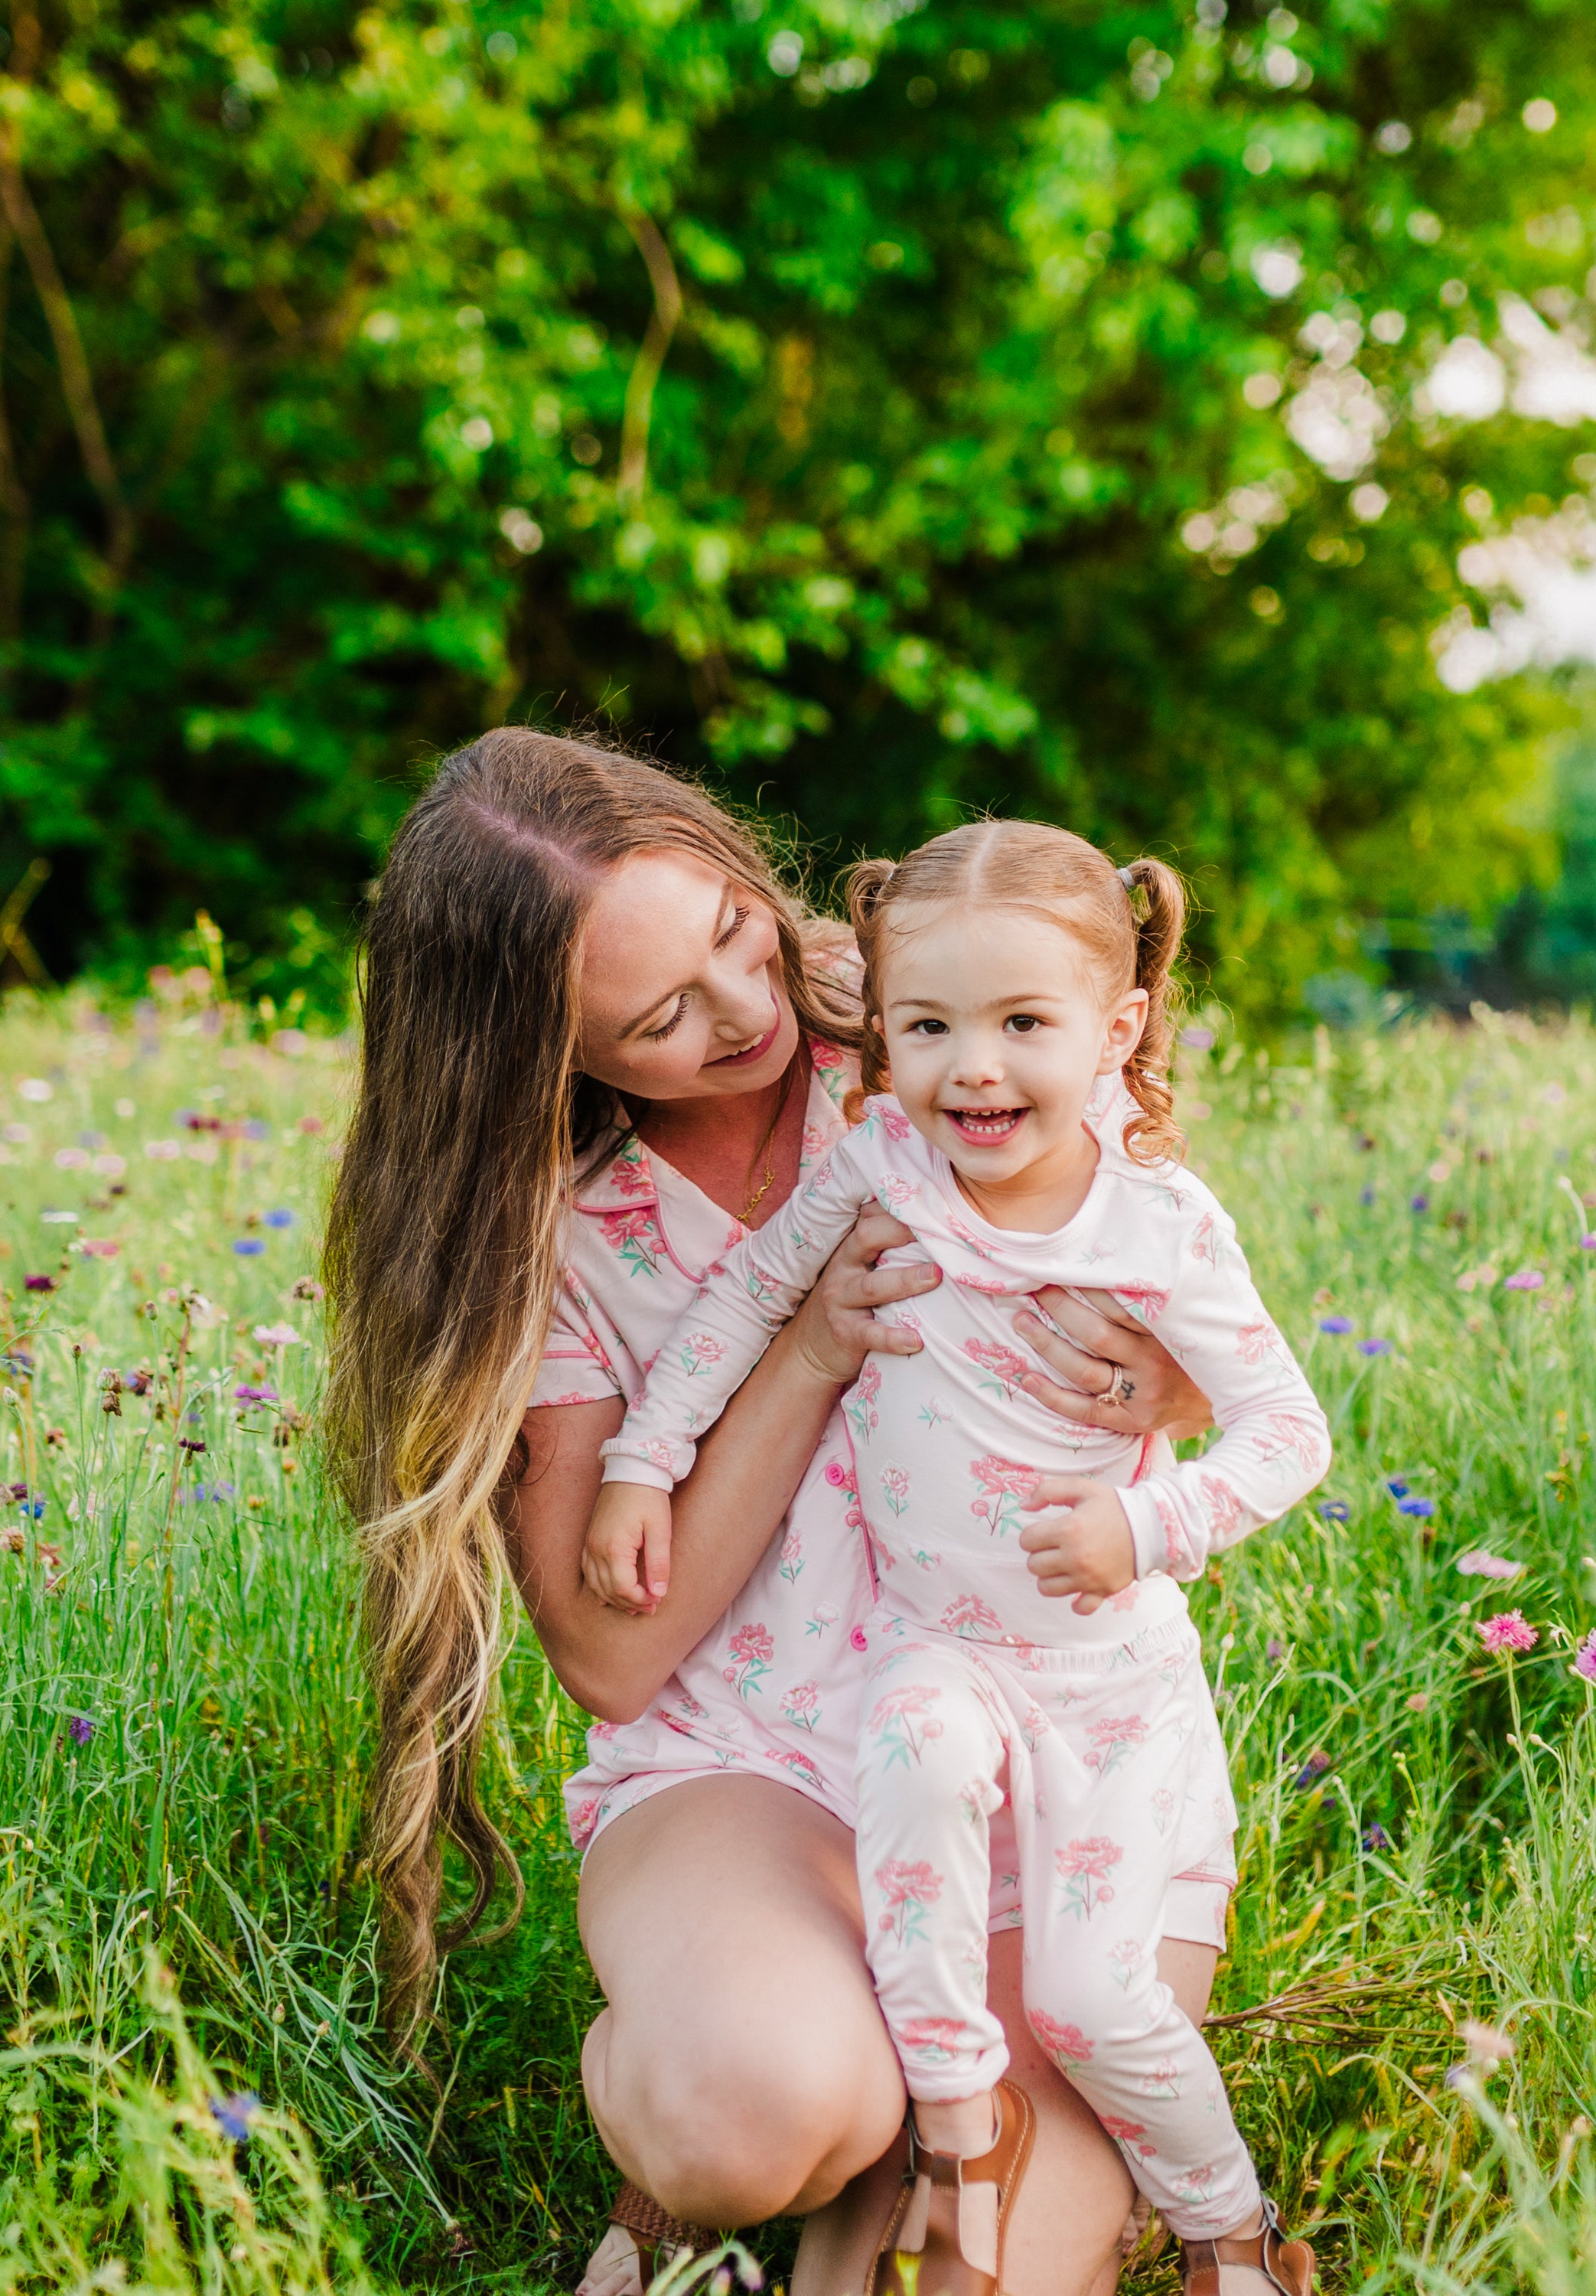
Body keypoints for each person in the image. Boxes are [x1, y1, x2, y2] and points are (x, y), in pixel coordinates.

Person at [322, 730, 1234, 2296]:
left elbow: (1181, 1314)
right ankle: (701, 2132)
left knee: (997, 2264)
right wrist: (807, 1345)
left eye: (741, 936)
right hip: (758, 1763)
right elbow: (617, 1657)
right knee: (762, 2107)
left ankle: (903, 2120)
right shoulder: (556, 1239)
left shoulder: (929, 1026)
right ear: (543, 1054)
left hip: (1053, 1740)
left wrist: (1168, 1379)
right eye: (662, 1016)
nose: (746, 1014)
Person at [585, 822, 1330, 2296]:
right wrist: (635, 1462)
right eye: (928, 1029)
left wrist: (1149, 1521)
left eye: (1021, 1029)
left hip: (1098, 1687)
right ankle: (947, 2120)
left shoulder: (1158, 1221)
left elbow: (1287, 1431)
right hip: (930, 1664)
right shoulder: (885, 1162)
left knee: (1094, 2006)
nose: (973, 1070)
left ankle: (1228, 2233)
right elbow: (743, 1305)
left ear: (1116, 1032)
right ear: (886, 1023)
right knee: (918, 1766)